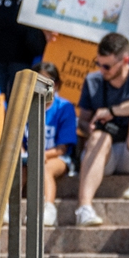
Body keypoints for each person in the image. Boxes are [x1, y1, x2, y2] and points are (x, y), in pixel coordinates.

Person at [74, 32, 129, 222]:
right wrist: (90, 127)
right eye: (99, 64)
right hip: (103, 153)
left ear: (125, 60)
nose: (102, 70)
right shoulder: (93, 81)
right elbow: (82, 121)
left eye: (107, 66)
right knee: (100, 137)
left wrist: (113, 111)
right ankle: (84, 208)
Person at [31, 63, 75, 228]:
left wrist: (41, 156)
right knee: (18, 170)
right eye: (38, 81)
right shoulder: (26, 106)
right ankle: (7, 207)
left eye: (48, 81)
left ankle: (48, 208)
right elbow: (20, 140)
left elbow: (62, 148)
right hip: (30, 158)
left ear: (56, 85)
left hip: (56, 158)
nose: (43, 86)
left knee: (45, 168)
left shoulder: (64, 107)